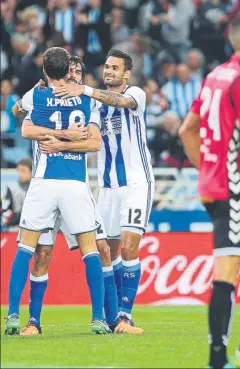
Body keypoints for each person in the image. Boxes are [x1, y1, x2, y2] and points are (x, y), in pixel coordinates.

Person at [12, 55, 143, 336]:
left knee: (102, 249)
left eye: (78, 71)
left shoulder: (89, 100)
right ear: (61, 73)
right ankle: (33, 321)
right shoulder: (41, 94)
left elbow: (93, 141)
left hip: (78, 187)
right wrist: (23, 105)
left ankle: (112, 319)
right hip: (45, 185)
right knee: (42, 254)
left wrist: (60, 142)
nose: (73, 75)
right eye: (69, 70)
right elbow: (17, 112)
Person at [179, 11, 240, 369]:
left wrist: (207, 169)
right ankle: (217, 360)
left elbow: (187, 130)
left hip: (224, 185)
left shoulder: (215, 75)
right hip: (233, 189)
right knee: (227, 271)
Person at [5, 46, 111, 336]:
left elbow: (25, 127)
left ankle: (13, 313)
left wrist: (56, 138)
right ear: (69, 71)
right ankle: (98, 318)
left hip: (44, 181)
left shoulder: (37, 96)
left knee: (26, 247)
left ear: (44, 71)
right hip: (75, 182)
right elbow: (91, 140)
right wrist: (68, 135)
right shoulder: (85, 100)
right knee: (90, 251)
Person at [53, 48, 155, 326]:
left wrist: (84, 89)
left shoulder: (136, 94)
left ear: (126, 73)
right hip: (107, 189)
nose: (109, 71)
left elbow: (120, 101)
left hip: (136, 184)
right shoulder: (93, 105)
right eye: (107, 67)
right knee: (105, 252)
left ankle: (126, 314)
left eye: (115, 67)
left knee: (130, 247)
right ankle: (112, 316)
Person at [1, 159, 32, 232]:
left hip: (35, 232)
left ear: (32, 171)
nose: (20, 174)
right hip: (14, 231)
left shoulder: (39, 189)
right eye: (18, 170)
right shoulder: (11, 188)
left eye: (23, 171)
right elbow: (4, 214)